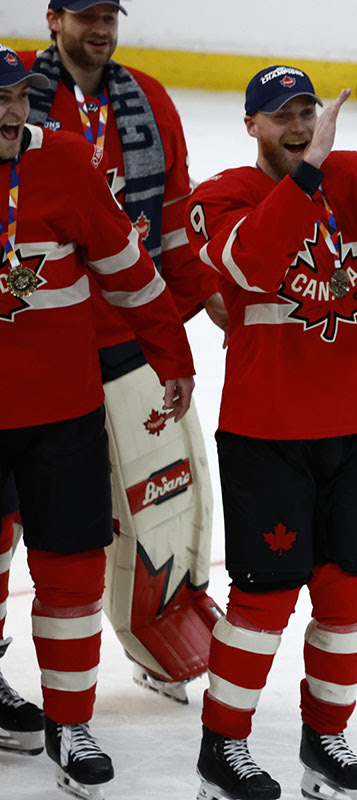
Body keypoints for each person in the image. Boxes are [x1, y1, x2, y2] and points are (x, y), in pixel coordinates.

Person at [185, 65, 357, 800]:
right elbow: (251, 266)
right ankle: (223, 748)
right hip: (268, 431)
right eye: (281, 117)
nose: (299, 127)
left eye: (305, 112)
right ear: (252, 127)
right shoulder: (221, 196)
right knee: (265, 597)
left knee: (350, 594)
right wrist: (304, 178)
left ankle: (325, 739)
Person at [10, 0, 227, 706]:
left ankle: (160, 639)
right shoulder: (16, 105)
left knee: (161, 497)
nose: (99, 30)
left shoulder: (150, 100)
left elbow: (172, 217)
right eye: (85, 16)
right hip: (41, 347)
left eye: (110, 16)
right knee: (14, 516)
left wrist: (197, 301)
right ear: (53, 19)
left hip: (130, 339)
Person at [0, 44, 196, 797]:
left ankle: (71, 723)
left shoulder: (67, 163)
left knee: (72, 572)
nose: (12, 112)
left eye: (18, 96)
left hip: (62, 414)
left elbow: (130, 271)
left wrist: (171, 358)